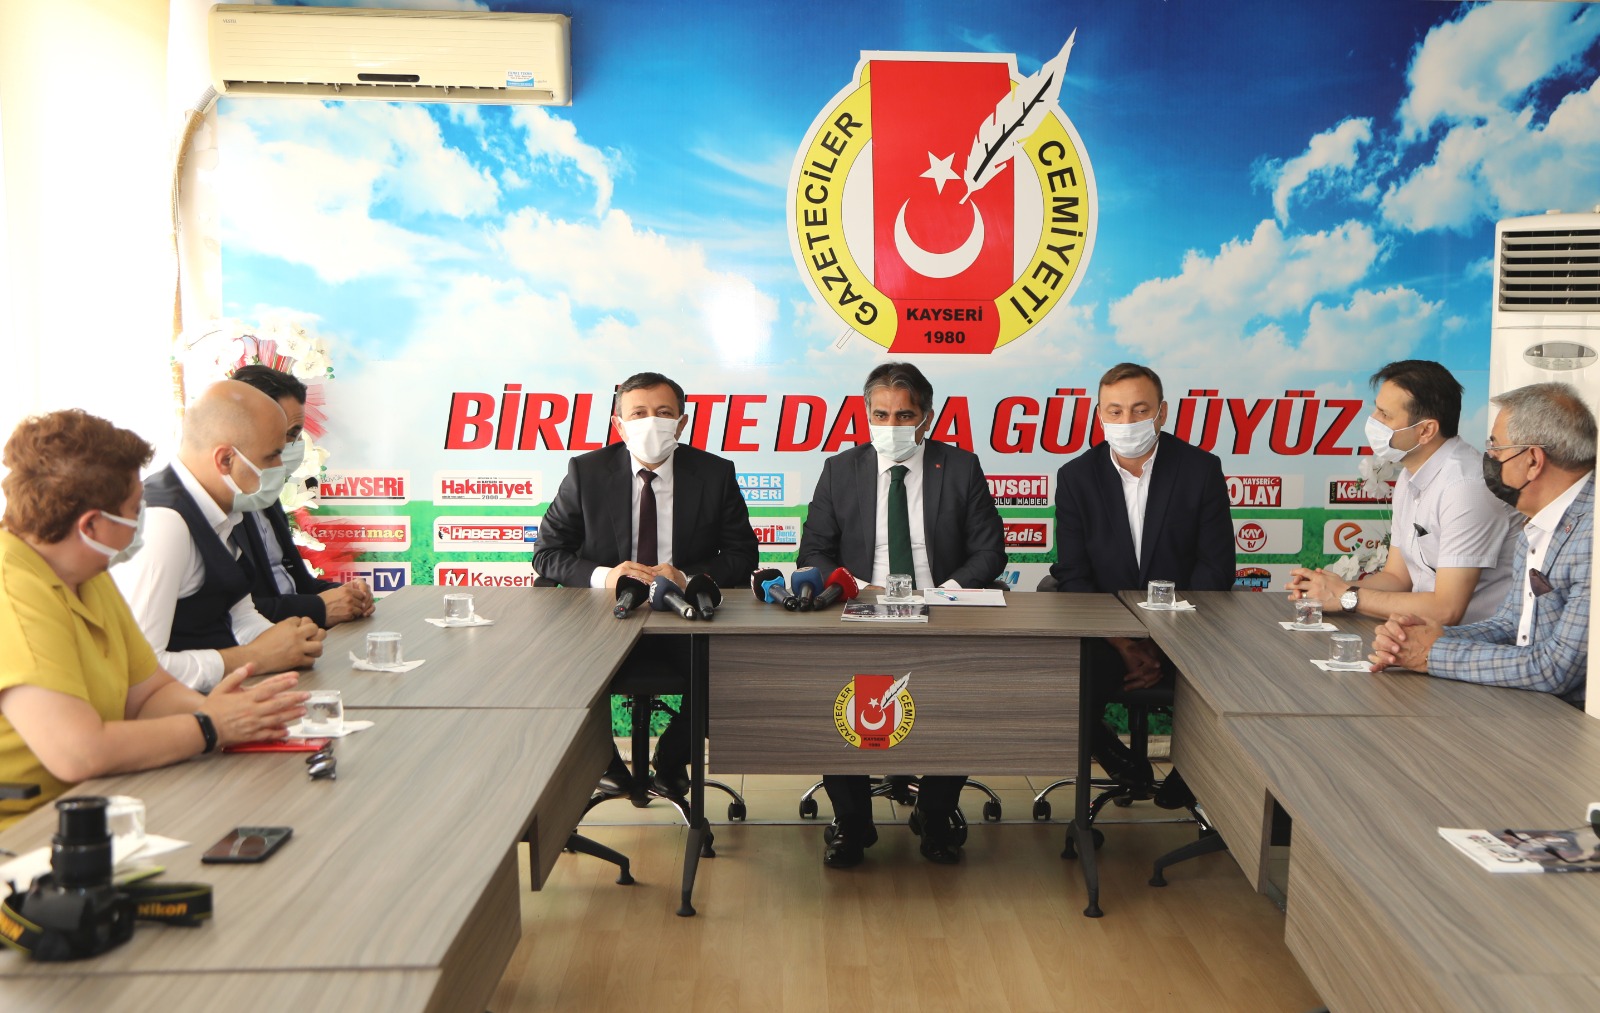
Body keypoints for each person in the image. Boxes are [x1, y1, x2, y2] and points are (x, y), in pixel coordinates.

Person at [0, 410, 307, 830]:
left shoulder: (85, 573)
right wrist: (210, 726)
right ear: (91, 525)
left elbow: (147, 692)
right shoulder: (14, 595)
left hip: (103, 801)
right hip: (27, 831)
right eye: (134, 509)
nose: (141, 520)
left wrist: (232, 714)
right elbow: (78, 753)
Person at [797, 362, 1005, 867]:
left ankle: (934, 813)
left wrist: (943, 593)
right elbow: (815, 552)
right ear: (867, 415)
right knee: (833, 690)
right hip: (861, 606)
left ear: (927, 417)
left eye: (905, 415)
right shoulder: (840, 470)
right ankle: (852, 820)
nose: (892, 426)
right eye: (881, 415)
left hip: (941, 606)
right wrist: (859, 588)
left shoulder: (961, 467)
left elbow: (990, 552)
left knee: (959, 695)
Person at [532, 371, 758, 796]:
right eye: (638, 413)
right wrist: (607, 576)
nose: (651, 422)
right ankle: (606, 763)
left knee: (730, 674)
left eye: (664, 412)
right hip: (604, 618)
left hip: (683, 617)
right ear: (619, 425)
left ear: (682, 423)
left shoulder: (714, 474)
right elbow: (547, 554)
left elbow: (743, 555)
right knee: (557, 674)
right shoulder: (586, 472)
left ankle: (670, 758)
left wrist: (685, 577)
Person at [1049, 362, 1235, 807]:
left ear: (1162, 412)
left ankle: (1193, 774)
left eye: (1140, 409)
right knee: (1068, 677)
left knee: (1230, 674)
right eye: (1114, 411)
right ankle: (1114, 756)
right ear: (1099, 415)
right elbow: (1073, 574)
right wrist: (1124, 643)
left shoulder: (1200, 469)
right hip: (1107, 635)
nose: (1126, 421)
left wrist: (1162, 641)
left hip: (1186, 632)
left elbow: (1215, 569)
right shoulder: (1076, 477)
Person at [1370, 382, 1594, 707]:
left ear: (1533, 460)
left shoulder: (1592, 535)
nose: (1488, 458)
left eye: (1496, 448)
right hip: (1528, 708)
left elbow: (1555, 668)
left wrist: (1433, 653)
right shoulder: (1536, 522)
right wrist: (1418, 637)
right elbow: (1510, 624)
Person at [114, 380, 326, 693]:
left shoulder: (225, 509)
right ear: (226, 460)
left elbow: (239, 618)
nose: (280, 467)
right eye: (272, 456)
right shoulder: (165, 524)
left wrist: (291, 640)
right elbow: (139, 668)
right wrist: (254, 658)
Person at [1288, 360, 1518, 625]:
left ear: (1426, 430)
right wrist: (1325, 590)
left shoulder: (1465, 487)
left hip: (1476, 641)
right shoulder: (1410, 475)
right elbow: (1397, 578)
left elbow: (1447, 610)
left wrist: (1346, 597)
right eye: (1376, 409)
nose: (1373, 421)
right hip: (1421, 633)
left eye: (1385, 415)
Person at [229, 364, 374, 628]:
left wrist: (346, 595)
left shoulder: (267, 493)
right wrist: (320, 608)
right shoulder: (213, 507)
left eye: (296, 435)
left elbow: (297, 586)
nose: (289, 447)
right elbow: (236, 614)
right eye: (286, 434)